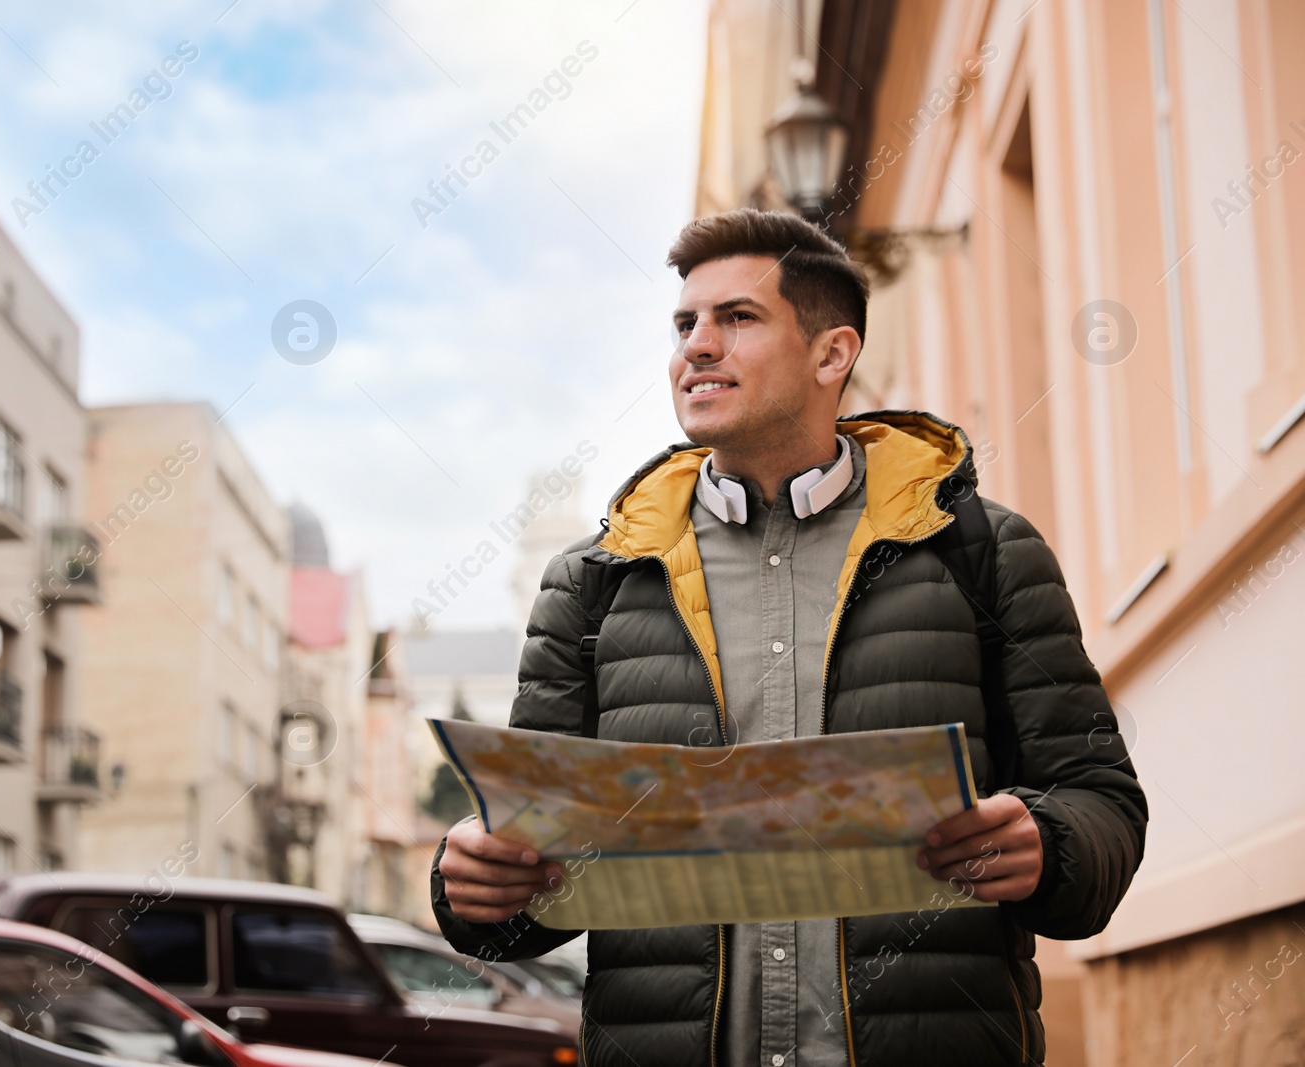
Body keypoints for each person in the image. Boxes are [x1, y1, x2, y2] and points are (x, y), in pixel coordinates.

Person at [431, 208, 1148, 1067]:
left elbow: (1102, 801)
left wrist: (1048, 842)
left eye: (737, 319)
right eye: (685, 323)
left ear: (831, 354)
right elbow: (527, 864)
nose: (698, 345)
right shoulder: (591, 582)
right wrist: (474, 883)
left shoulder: (983, 551)